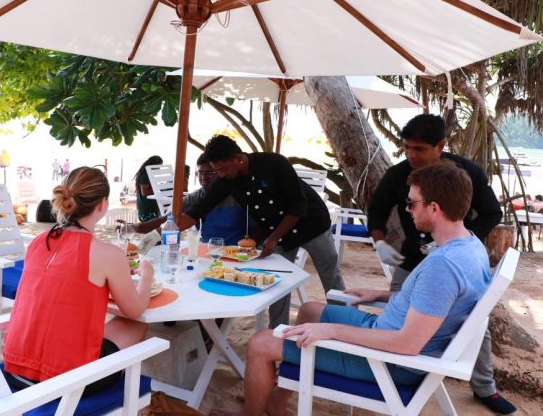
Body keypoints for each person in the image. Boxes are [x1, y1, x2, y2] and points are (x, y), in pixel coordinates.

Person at [244, 162, 491, 416]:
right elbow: (436, 301)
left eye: (412, 203)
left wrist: (332, 331)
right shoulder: (471, 245)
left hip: (388, 362)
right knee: (308, 311)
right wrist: (383, 295)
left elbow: (407, 344)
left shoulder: (443, 266)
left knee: (259, 343)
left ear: (434, 208)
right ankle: (277, 400)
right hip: (386, 334)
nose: (407, 210)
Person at [367, 114, 514, 414]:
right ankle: (391, 376)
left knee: (474, 325)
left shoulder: (465, 173)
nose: (411, 155)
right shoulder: (398, 175)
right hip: (411, 260)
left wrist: (457, 240)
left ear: (441, 145)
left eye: (419, 149)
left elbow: (492, 212)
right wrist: (379, 242)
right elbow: (377, 210)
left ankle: (485, 388)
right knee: (399, 310)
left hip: (454, 258)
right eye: (406, 147)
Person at [3, 167, 154, 395]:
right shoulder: (108, 254)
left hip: (15, 370)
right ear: (102, 205)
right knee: (136, 324)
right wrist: (147, 275)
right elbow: (135, 310)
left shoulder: (38, 242)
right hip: (69, 382)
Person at [177, 135, 344, 328]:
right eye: (217, 170)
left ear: (238, 159)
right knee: (278, 282)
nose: (220, 175)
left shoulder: (274, 163)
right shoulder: (227, 180)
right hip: (278, 231)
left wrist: (273, 238)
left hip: (311, 224)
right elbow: (200, 209)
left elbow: (298, 205)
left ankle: (344, 321)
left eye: (224, 169)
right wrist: (171, 229)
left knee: (330, 274)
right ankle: (277, 329)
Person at [135, 153, 250, 245]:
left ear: (220, 172)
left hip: (236, 253)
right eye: (200, 173)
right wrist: (134, 228)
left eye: (210, 173)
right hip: (206, 251)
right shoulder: (194, 197)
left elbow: (256, 228)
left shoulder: (238, 196)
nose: (203, 177)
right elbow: (167, 220)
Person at [134, 155, 163, 222]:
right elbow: (145, 192)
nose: (159, 169)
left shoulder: (147, 174)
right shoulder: (146, 174)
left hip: (147, 209)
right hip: (147, 211)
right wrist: (158, 189)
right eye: (159, 166)